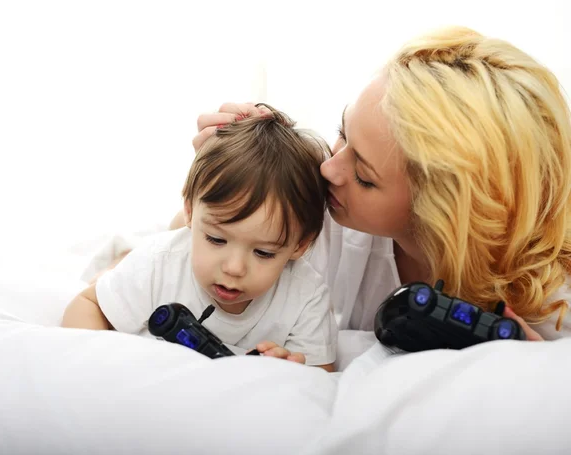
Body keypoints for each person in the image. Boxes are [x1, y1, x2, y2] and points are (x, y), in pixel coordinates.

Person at [175, 26, 571, 360]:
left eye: (363, 175)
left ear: (442, 214)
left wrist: (534, 373)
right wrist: (217, 190)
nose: (329, 169)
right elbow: (147, 264)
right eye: (342, 133)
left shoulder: (554, 302)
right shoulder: (320, 212)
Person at [62, 106, 338, 371]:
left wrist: (290, 367)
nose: (234, 268)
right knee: (124, 272)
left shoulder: (307, 295)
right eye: (217, 239)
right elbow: (88, 304)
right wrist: (97, 366)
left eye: (263, 253)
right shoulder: (161, 264)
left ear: (300, 244)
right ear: (190, 212)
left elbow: (320, 372)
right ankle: (119, 260)